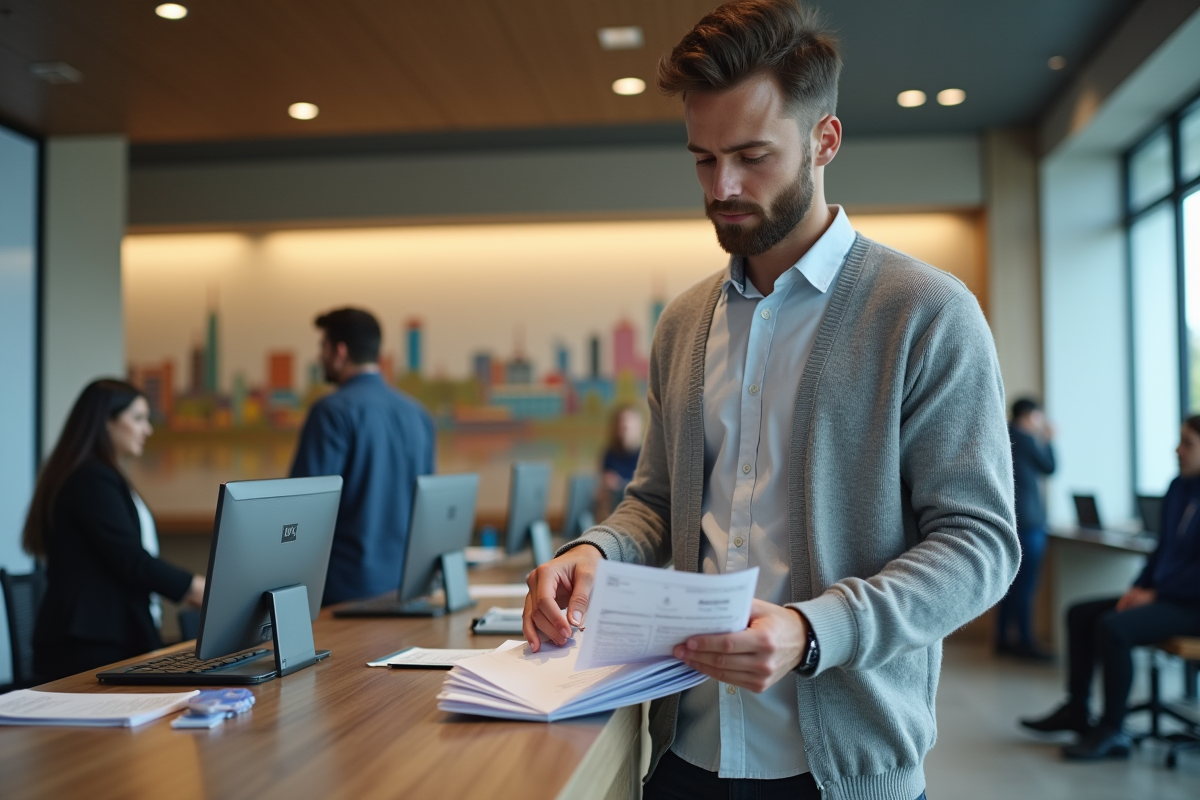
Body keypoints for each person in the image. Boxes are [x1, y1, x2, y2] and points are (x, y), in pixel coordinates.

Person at [521, 3, 1018, 799]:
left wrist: (814, 631)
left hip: (842, 771)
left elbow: (980, 545)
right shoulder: (684, 322)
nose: (723, 188)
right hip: (685, 755)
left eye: (752, 156)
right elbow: (656, 503)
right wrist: (594, 554)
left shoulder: (925, 312)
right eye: (703, 159)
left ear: (825, 141)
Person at [1021, 416, 1200, 761]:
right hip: (1165, 596)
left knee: (1113, 628)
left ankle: (1112, 730)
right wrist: (1138, 589)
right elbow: (1161, 550)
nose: (1177, 450)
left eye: (1187, 443)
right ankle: (1077, 710)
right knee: (1079, 613)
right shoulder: (1178, 487)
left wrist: (1157, 595)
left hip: (1192, 605)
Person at [24, 379, 205, 680]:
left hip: (106, 638)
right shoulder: (90, 478)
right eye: (137, 418)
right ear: (105, 422)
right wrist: (199, 588)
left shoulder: (99, 474)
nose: (147, 429)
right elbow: (132, 561)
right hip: (88, 646)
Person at [291, 307, 435, 606]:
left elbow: (301, 511)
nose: (320, 357)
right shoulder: (417, 413)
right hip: (406, 590)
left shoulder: (330, 412)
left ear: (340, 351)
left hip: (342, 595)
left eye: (323, 347)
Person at [996, 397, 1056, 659]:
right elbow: (1050, 468)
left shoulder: (1003, 434)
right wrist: (1049, 439)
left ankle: (1003, 639)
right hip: (1030, 522)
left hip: (1010, 519)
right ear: (1031, 416)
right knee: (1027, 585)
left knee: (1009, 584)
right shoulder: (1028, 439)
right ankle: (1025, 642)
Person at [599, 405, 644, 515]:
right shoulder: (610, 453)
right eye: (621, 425)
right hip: (614, 507)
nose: (624, 429)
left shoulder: (646, 454)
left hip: (638, 507)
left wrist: (621, 484)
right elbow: (604, 483)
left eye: (627, 426)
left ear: (639, 427)